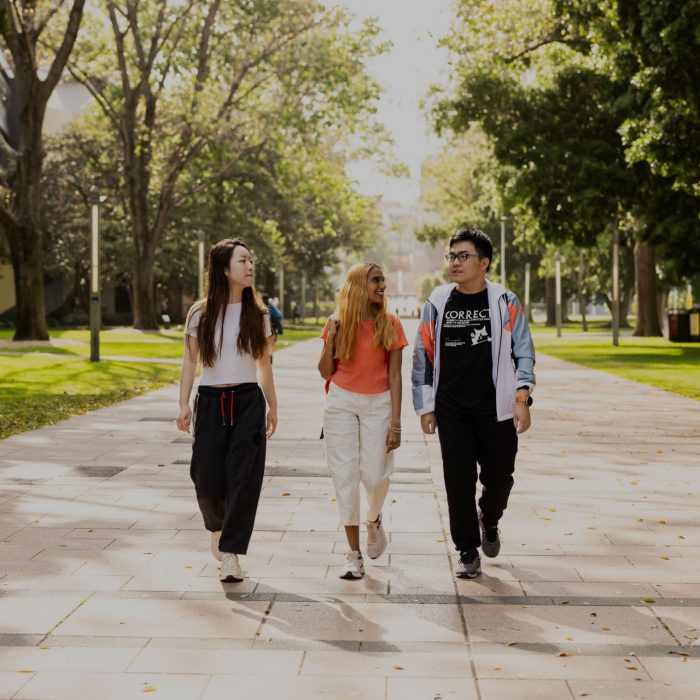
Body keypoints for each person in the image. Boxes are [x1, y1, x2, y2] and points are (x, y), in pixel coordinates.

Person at [412, 227, 535, 579]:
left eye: (463, 256)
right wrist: (426, 406)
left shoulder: (505, 301)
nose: (455, 262)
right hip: (452, 410)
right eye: (451, 256)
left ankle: (490, 518)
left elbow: (523, 353)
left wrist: (522, 398)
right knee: (458, 481)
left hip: (496, 409)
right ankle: (467, 549)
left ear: (484, 262)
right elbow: (424, 355)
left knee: (500, 479)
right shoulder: (437, 302)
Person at [177, 238, 278, 583]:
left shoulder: (259, 314)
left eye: (251, 260)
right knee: (205, 478)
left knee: (242, 478)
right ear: (224, 268)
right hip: (209, 402)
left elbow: (264, 364)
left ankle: (232, 554)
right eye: (243, 261)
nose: (250, 266)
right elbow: (190, 361)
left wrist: (273, 406)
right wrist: (182, 403)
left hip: (248, 402)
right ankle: (218, 528)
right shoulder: (200, 312)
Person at [318, 262, 408, 579]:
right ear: (358, 285)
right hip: (341, 401)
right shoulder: (338, 322)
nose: (382, 284)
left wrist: (396, 422)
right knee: (344, 476)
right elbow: (325, 372)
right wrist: (331, 338)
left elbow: (396, 376)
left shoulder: (391, 323)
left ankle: (373, 519)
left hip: (379, 403)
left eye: (383, 279)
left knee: (375, 475)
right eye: (375, 280)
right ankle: (353, 554)